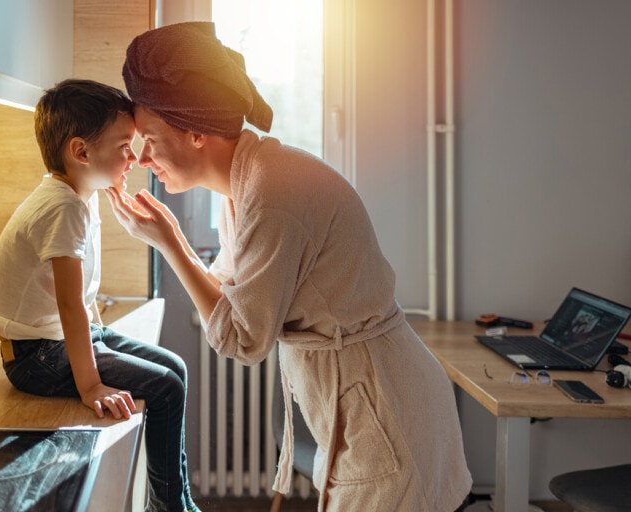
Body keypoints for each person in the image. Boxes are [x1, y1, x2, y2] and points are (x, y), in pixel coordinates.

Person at [108, 22, 472, 511]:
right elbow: (232, 294)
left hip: (387, 414)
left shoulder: (270, 195)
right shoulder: (243, 184)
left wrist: (171, 243)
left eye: (149, 138)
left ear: (196, 132)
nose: (140, 155)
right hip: (364, 404)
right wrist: (173, 243)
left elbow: (244, 338)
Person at [0, 78, 199, 512]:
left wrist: (97, 342)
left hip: (54, 344)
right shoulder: (62, 207)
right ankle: (171, 506)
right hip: (36, 358)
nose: (135, 159)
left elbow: (77, 303)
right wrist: (91, 384)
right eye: (124, 147)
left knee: (174, 367)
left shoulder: (77, 194)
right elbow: (69, 304)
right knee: (166, 388)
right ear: (81, 152)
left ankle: (173, 499)